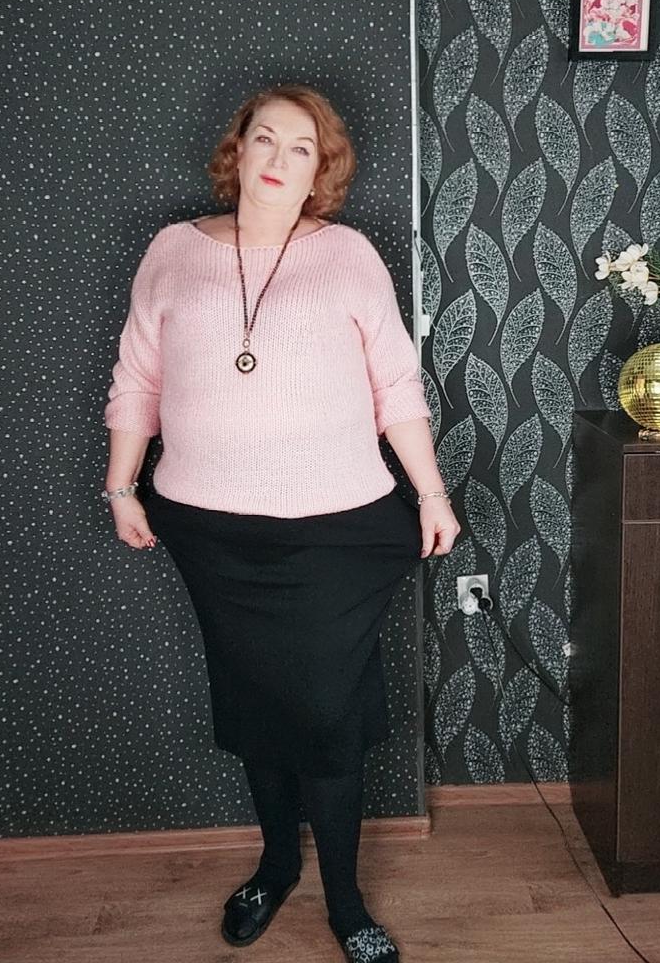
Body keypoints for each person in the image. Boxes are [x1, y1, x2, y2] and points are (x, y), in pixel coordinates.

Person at [101, 83, 460, 963]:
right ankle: (275, 867)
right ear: (238, 149)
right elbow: (137, 377)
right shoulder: (172, 250)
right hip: (213, 534)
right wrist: (120, 486)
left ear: (320, 172)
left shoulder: (348, 255)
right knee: (256, 704)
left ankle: (347, 903)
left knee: (328, 717)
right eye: (266, 138)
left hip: (334, 532)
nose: (278, 158)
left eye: (302, 149)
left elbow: (394, 385)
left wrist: (432, 493)